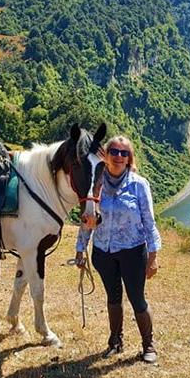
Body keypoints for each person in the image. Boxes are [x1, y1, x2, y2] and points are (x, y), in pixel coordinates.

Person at [75, 135, 161, 363]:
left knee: (137, 299)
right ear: (106, 154)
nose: (119, 156)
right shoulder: (96, 184)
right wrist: (80, 249)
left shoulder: (139, 184)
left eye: (124, 153)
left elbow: (149, 223)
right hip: (103, 252)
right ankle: (115, 340)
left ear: (129, 158)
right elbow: (87, 218)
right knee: (113, 298)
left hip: (133, 252)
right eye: (114, 151)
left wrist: (153, 257)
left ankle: (148, 344)